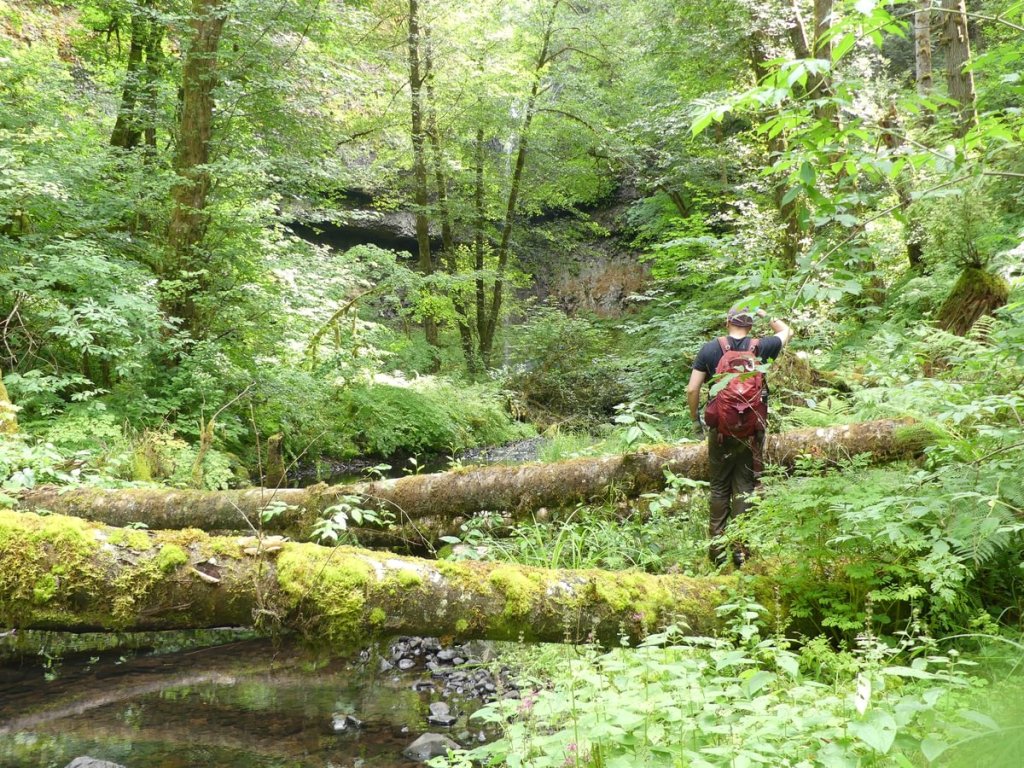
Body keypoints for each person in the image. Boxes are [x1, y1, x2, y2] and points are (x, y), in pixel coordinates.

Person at [686, 306, 793, 567]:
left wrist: (695, 421)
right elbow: (787, 331)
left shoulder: (711, 349)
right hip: (751, 430)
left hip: (721, 430)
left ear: (727, 323)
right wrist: (765, 313)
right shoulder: (763, 347)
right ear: (751, 325)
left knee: (720, 487)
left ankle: (716, 551)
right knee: (744, 487)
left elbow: (692, 388)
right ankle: (741, 551)